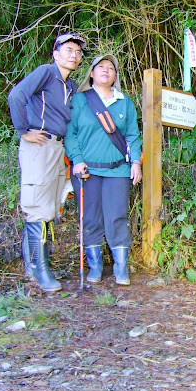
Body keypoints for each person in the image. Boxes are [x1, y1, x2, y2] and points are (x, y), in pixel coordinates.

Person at [8, 33, 86, 292]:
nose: (73, 54)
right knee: (38, 206)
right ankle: (41, 270)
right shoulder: (46, 72)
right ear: (56, 53)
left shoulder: (71, 86)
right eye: (68, 49)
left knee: (49, 206)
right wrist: (23, 130)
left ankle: (33, 265)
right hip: (38, 144)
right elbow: (16, 95)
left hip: (57, 146)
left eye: (77, 51)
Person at [65, 54, 142, 286]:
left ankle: (121, 268)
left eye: (111, 68)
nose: (106, 71)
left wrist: (136, 162)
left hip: (117, 170)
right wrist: (76, 160)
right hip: (86, 171)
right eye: (101, 67)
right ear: (91, 73)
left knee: (117, 216)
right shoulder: (80, 101)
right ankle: (95, 266)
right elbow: (71, 134)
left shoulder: (124, 102)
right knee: (90, 218)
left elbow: (132, 135)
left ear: (115, 75)